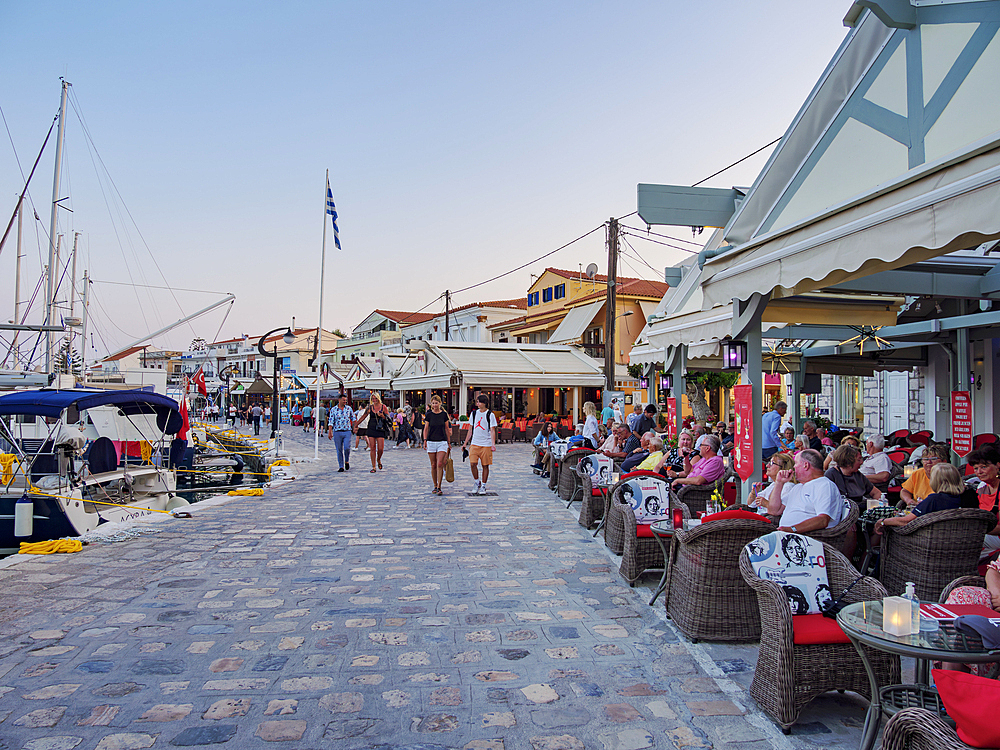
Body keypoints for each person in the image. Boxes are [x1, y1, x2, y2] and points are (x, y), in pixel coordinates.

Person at [875, 463, 978, 536]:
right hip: (966, 543)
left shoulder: (934, 500)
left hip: (932, 544)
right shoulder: (971, 494)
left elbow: (906, 522)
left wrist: (883, 521)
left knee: (890, 537)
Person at [766, 449, 846, 533]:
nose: (793, 467)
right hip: (787, 536)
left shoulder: (825, 485)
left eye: (796, 463)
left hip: (807, 540)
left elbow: (823, 520)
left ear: (805, 465)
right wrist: (779, 483)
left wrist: (792, 529)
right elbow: (773, 511)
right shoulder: (798, 487)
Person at [824, 444, 882, 511]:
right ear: (848, 462)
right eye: (859, 459)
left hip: (860, 510)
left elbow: (876, 493)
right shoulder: (831, 475)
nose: (861, 462)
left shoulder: (858, 475)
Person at [968, 445, 1000, 560]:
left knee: (965, 538)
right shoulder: (982, 488)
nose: (979, 472)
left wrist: (976, 528)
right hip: (990, 535)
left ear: (997, 465)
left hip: (995, 536)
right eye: (976, 468)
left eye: (984, 467)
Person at [463, 394, 497, 495]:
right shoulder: (474, 414)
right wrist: (465, 443)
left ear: (484, 403)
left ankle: (483, 485)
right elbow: (470, 430)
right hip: (474, 442)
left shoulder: (490, 415)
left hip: (486, 443)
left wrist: (493, 444)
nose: (477, 403)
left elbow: (492, 430)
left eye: (479, 402)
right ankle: (477, 481)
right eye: (477, 402)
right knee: (473, 463)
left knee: (485, 465)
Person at [423, 394, 452, 495]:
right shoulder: (429, 414)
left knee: (440, 463)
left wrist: (449, 442)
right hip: (431, 441)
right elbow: (426, 428)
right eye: (433, 403)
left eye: (436, 403)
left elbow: (446, 428)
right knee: (433, 464)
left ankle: (439, 486)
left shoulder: (444, 415)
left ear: (440, 403)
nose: (435, 405)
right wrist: (425, 440)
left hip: (442, 441)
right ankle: (435, 485)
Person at [357, 393, 391, 472]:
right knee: (372, 447)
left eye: (375, 398)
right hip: (371, 428)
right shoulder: (370, 407)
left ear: (378, 398)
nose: (374, 400)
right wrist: (356, 425)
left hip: (380, 428)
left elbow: (388, 418)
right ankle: (373, 466)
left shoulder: (383, 407)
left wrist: (382, 415)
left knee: (380, 448)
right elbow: (363, 416)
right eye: (373, 398)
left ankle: (378, 459)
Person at [329, 393, 355, 472]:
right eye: (343, 400)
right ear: (339, 400)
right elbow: (331, 421)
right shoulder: (334, 409)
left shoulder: (348, 408)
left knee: (347, 447)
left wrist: (355, 426)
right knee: (339, 449)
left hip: (347, 430)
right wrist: (330, 431)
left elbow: (353, 417)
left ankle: (346, 460)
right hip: (337, 431)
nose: (345, 402)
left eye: (346, 400)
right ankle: (341, 466)